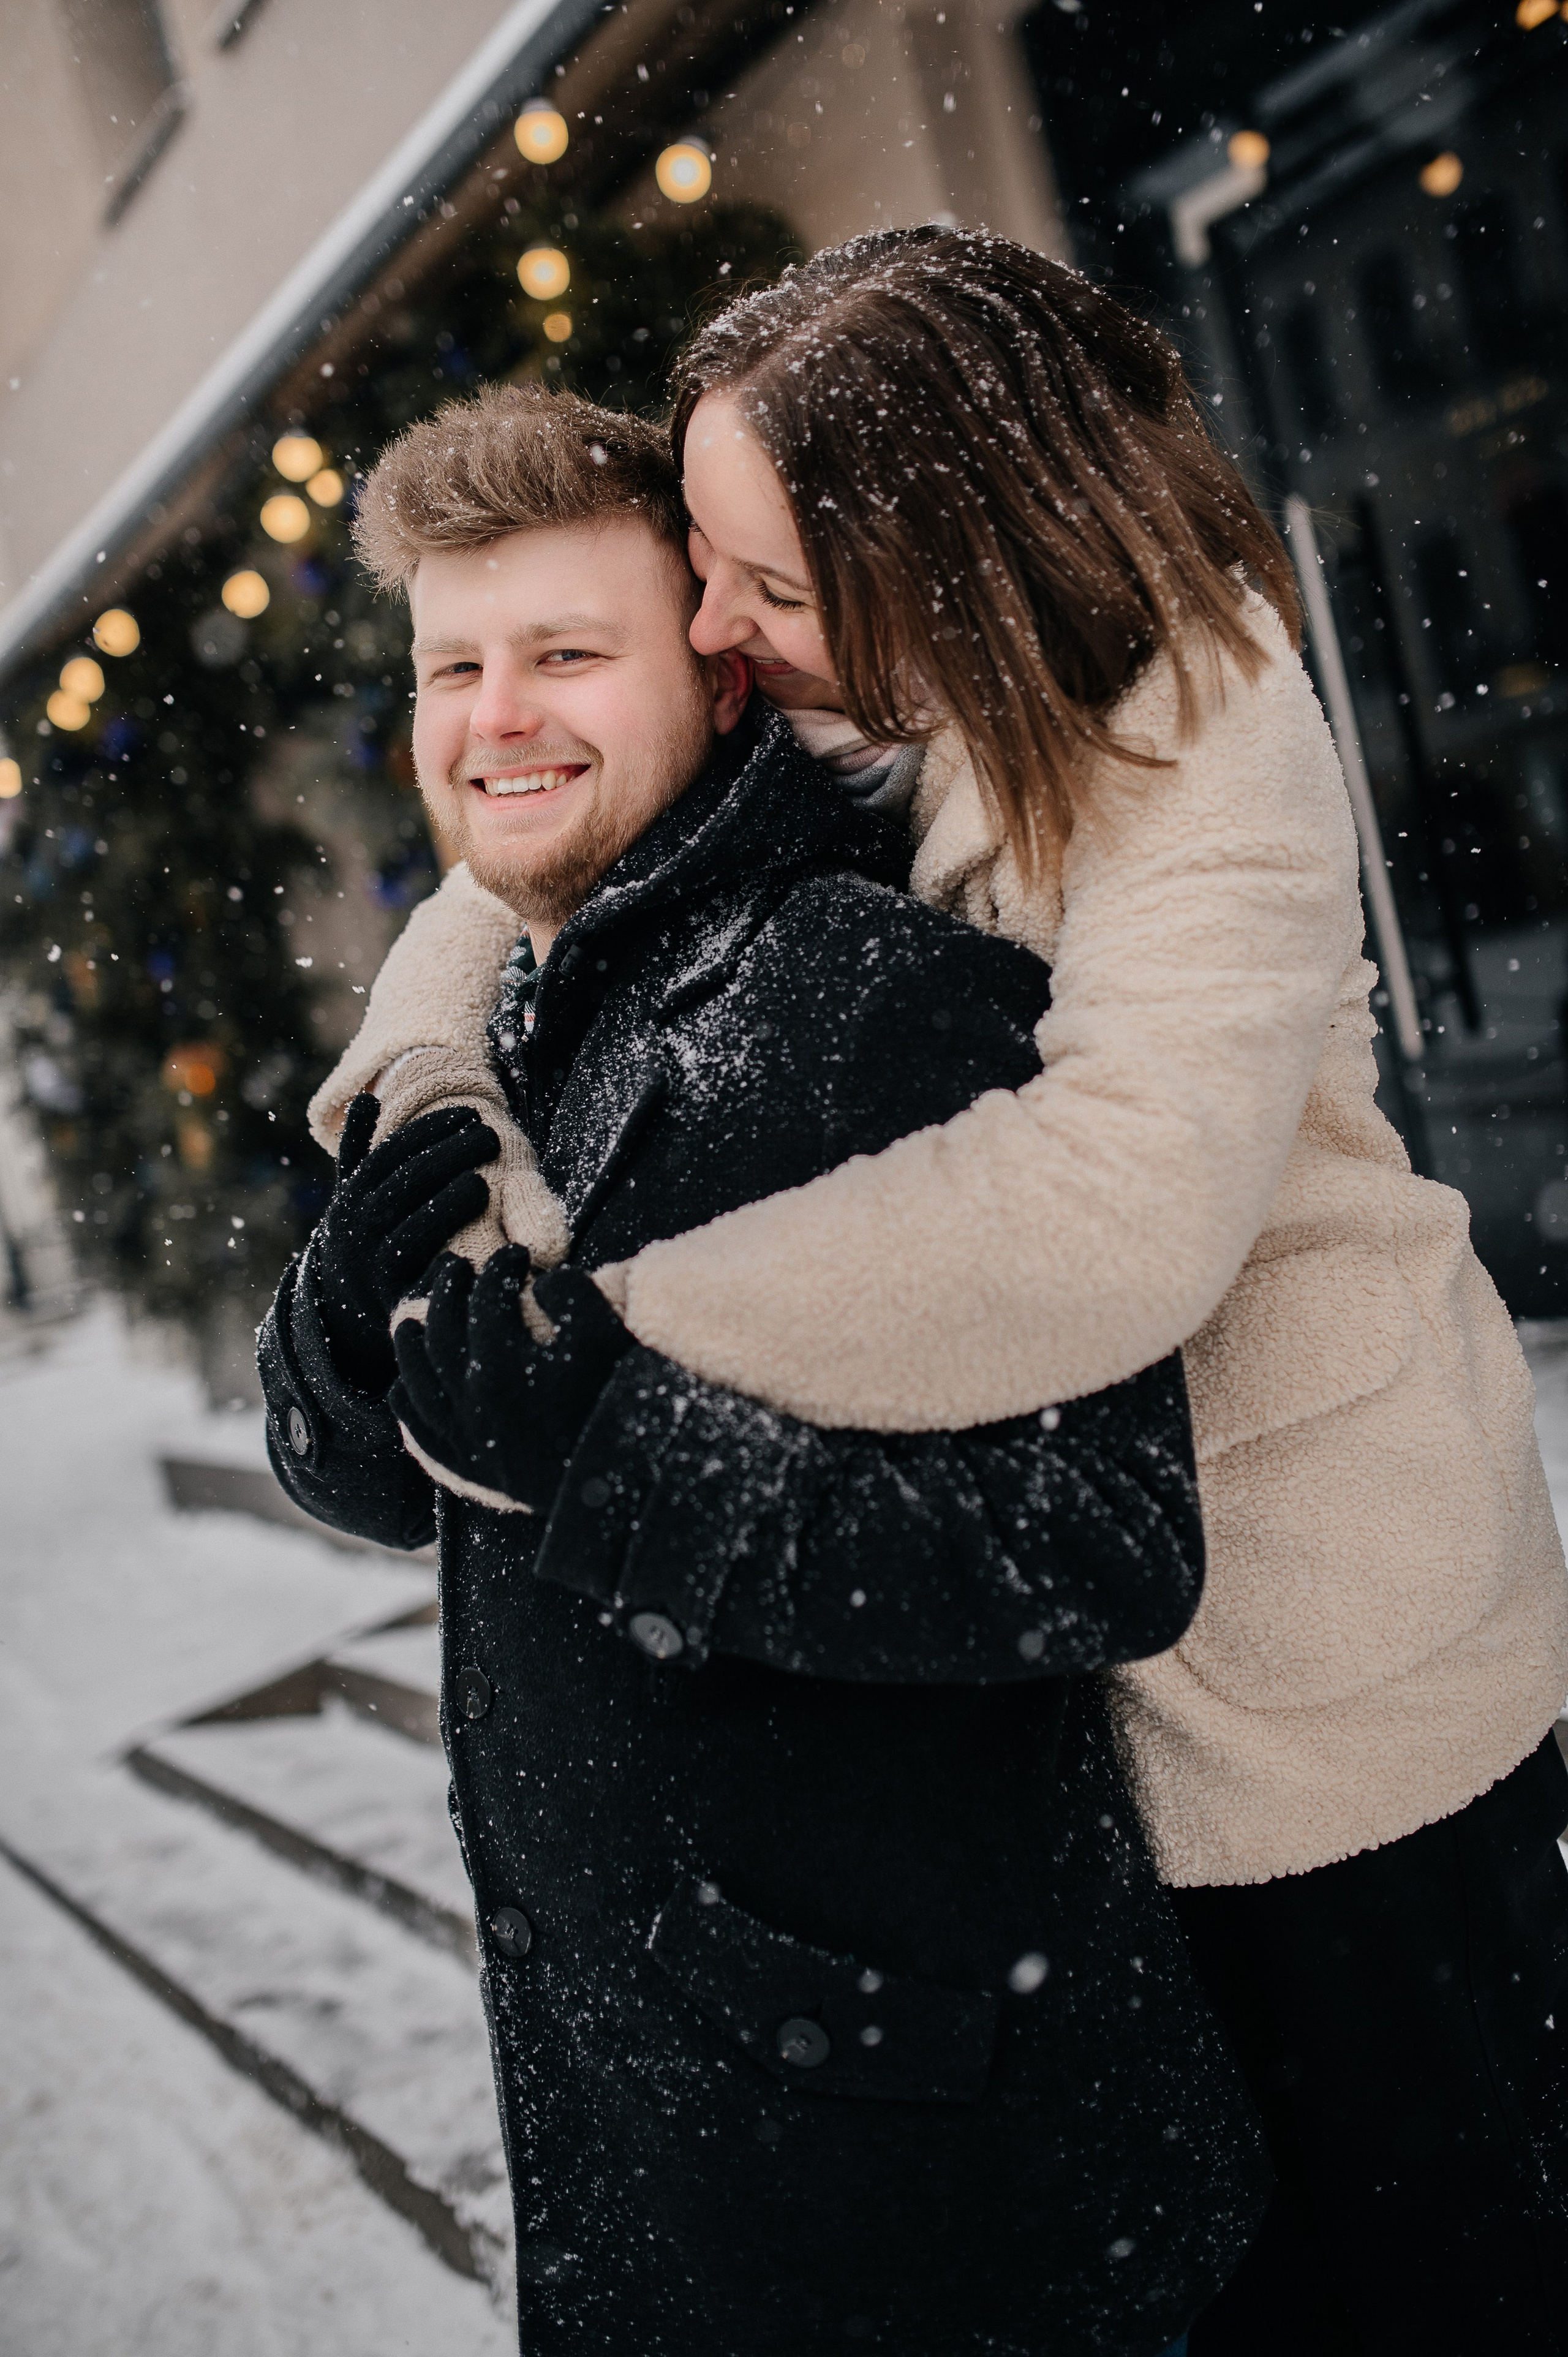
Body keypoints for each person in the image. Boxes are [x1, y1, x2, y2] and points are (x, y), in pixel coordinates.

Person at [330, 235, 1568, 2352]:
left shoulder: (1201, 726)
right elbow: (502, 826)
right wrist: (434, 1068)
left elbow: (1109, 1208)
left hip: (1331, 1678)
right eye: (705, 573)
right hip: (1083, 1721)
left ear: (955, 563)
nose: (717, 631)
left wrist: (610, 1324)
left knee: (1424, 2259)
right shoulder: (862, 691)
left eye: (765, 587)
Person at [260, 383, 1262, 2356]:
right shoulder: (516, 1016)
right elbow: (396, 1472)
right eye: (454, 666)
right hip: (655, 2137)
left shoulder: (872, 1000)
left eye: (566, 653)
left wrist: (613, 1458)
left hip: (929, 2190)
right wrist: (330, 1355)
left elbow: (1105, 1545)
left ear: (718, 682)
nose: (496, 715)